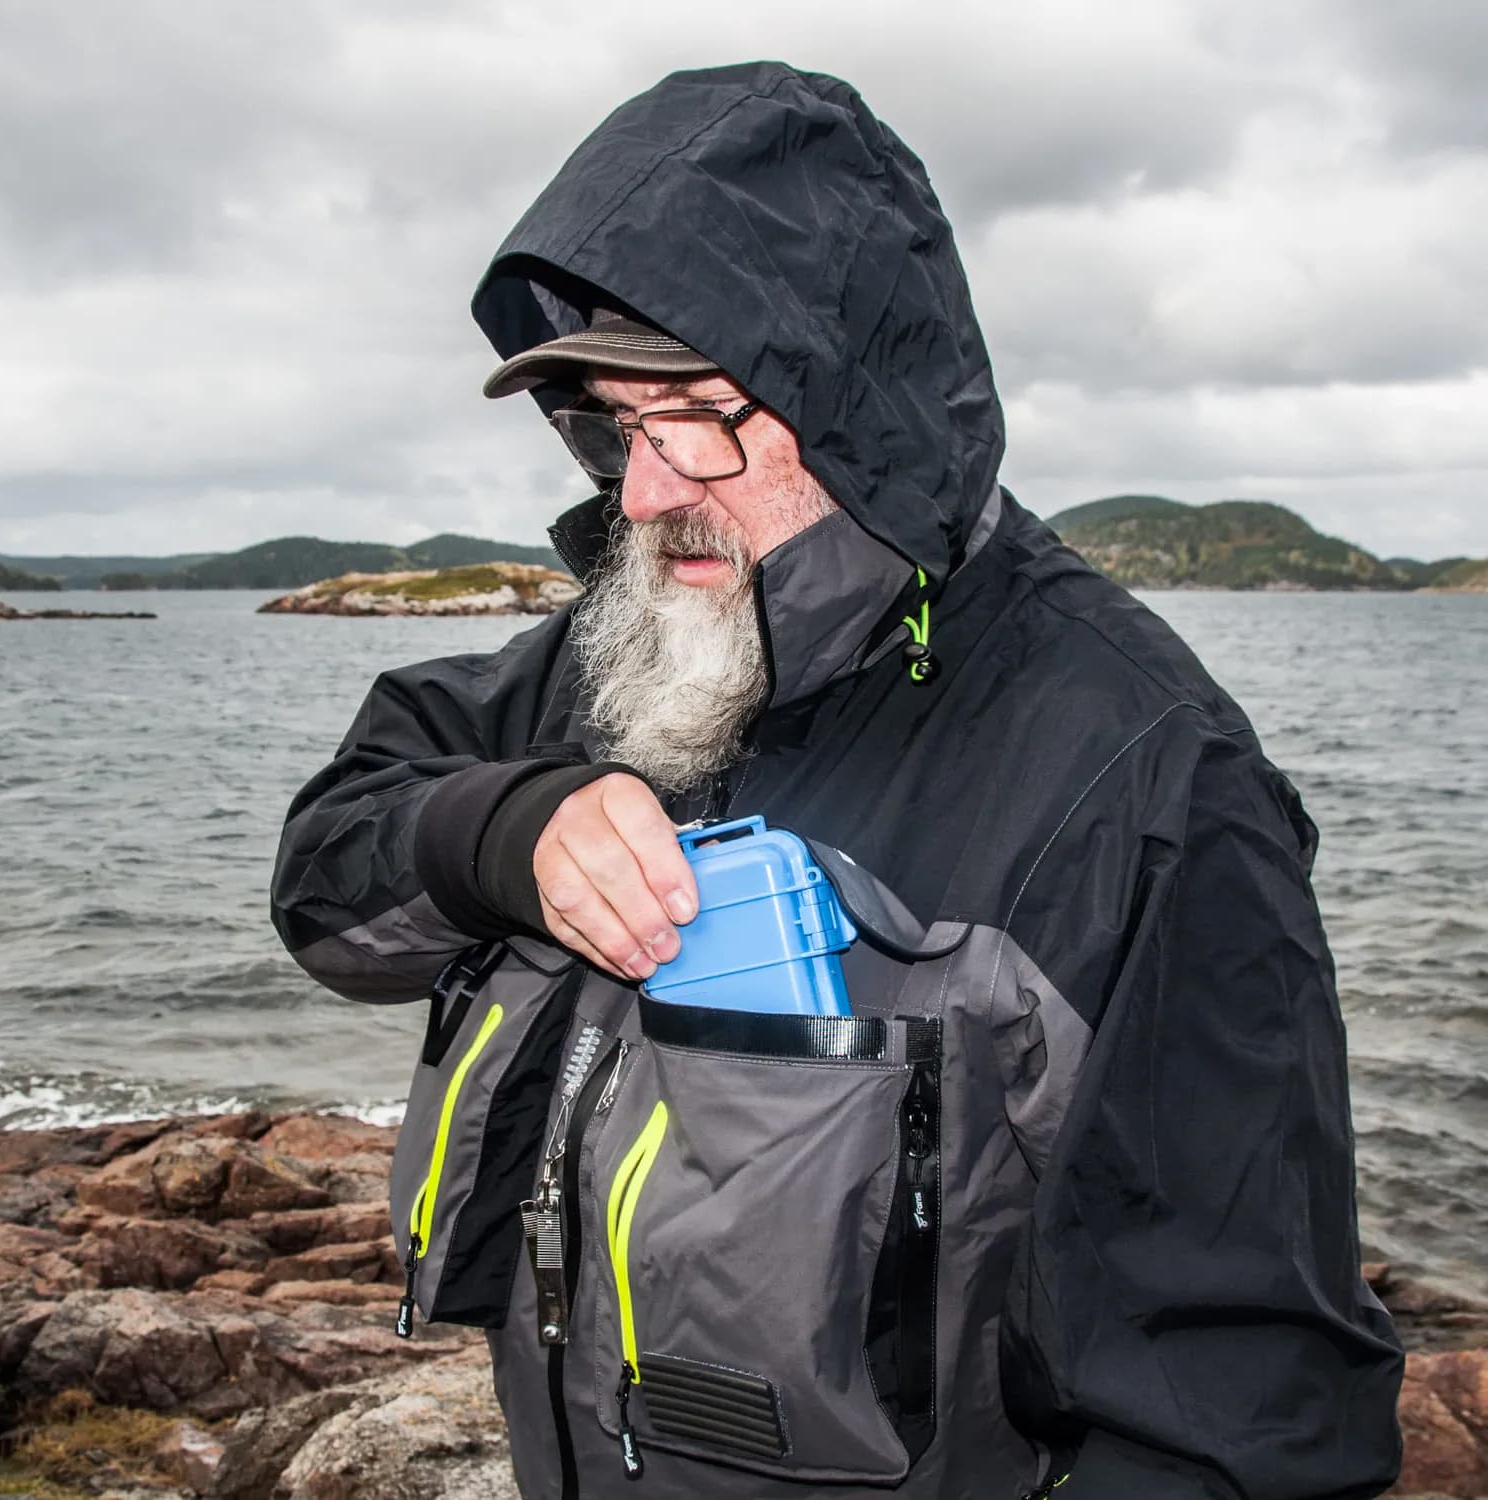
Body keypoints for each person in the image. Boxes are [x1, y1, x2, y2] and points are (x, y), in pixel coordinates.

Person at [271, 61, 1403, 1500]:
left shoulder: (1147, 779)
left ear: (853, 395)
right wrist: (499, 829)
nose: (641, 489)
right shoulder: (623, 652)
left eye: (693, 412)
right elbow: (324, 871)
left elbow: (1239, 1419)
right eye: (616, 423)